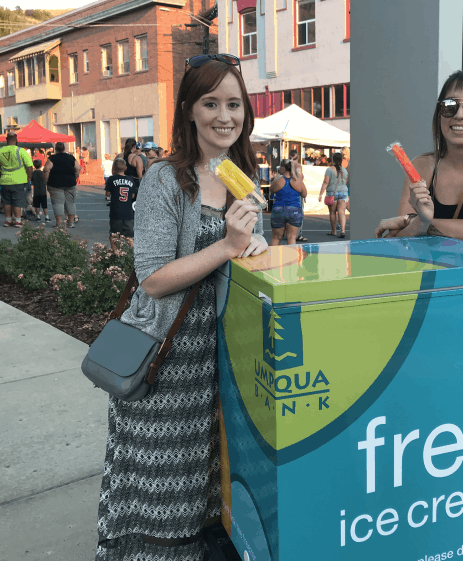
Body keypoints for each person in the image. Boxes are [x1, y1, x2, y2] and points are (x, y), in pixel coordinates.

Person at [95, 53, 267, 561]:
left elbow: (240, 255)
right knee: (162, 488)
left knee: (207, 486)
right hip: (167, 364)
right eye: (210, 103)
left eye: (234, 104)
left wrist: (253, 248)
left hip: (222, 361)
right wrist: (228, 247)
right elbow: (152, 279)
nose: (224, 116)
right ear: (189, 110)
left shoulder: (242, 176)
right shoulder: (165, 179)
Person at [374, 70, 463, 248]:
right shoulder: (422, 165)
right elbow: (399, 239)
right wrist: (416, 223)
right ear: (439, 114)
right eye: (449, 106)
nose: (459, 115)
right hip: (430, 267)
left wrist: (416, 223)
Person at [0, 132, 33, 228]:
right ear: (16, 140)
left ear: (6, 140)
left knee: (6, 201)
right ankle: (18, 221)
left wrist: (3, 175)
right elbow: (29, 166)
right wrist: (29, 177)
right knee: (17, 201)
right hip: (19, 181)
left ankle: (8, 220)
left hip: (5, 181)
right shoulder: (21, 151)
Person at [270, 159, 307, 245]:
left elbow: (271, 190)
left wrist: (277, 175)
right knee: (292, 238)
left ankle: (272, 254)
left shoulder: (279, 181)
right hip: (294, 209)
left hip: (279, 209)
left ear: (283, 168)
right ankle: (291, 254)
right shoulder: (298, 182)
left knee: (276, 238)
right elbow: (304, 194)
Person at [43, 141, 80, 228]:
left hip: (55, 183)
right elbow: (78, 168)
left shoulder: (52, 158)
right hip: (70, 183)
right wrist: (75, 177)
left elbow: (46, 169)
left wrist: (45, 180)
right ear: (64, 148)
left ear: (55, 149)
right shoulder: (71, 157)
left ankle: (59, 223)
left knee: (58, 203)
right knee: (70, 203)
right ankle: (71, 222)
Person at [104, 158, 138, 249]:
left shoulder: (112, 179)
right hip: (128, 212)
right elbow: (133, 196)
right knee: (129, 237)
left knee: (114, 236)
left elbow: (107, 194)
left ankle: (115, 253)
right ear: (126, 168)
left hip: (116, 212)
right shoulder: (130, 179)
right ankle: (134, 253)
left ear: (114, 168)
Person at [318, 152, 349, 238]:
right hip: (343, 193)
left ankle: (334, 231)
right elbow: (345, 182)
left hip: (332, 193)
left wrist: (320, 194)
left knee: (332, 213)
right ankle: (343, 231)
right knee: (342, 212)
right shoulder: (345, 170)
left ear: (333, 160)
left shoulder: (329, 170)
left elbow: (325, 182)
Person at [288, 149, 308, 242]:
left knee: (288, 211)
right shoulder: (298, 165)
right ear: (297, 156)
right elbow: (298, 178)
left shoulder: (285, 164)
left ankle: (288, 233)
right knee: (298, 213)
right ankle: (297, 234)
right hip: (296, 190)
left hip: (286, 190)